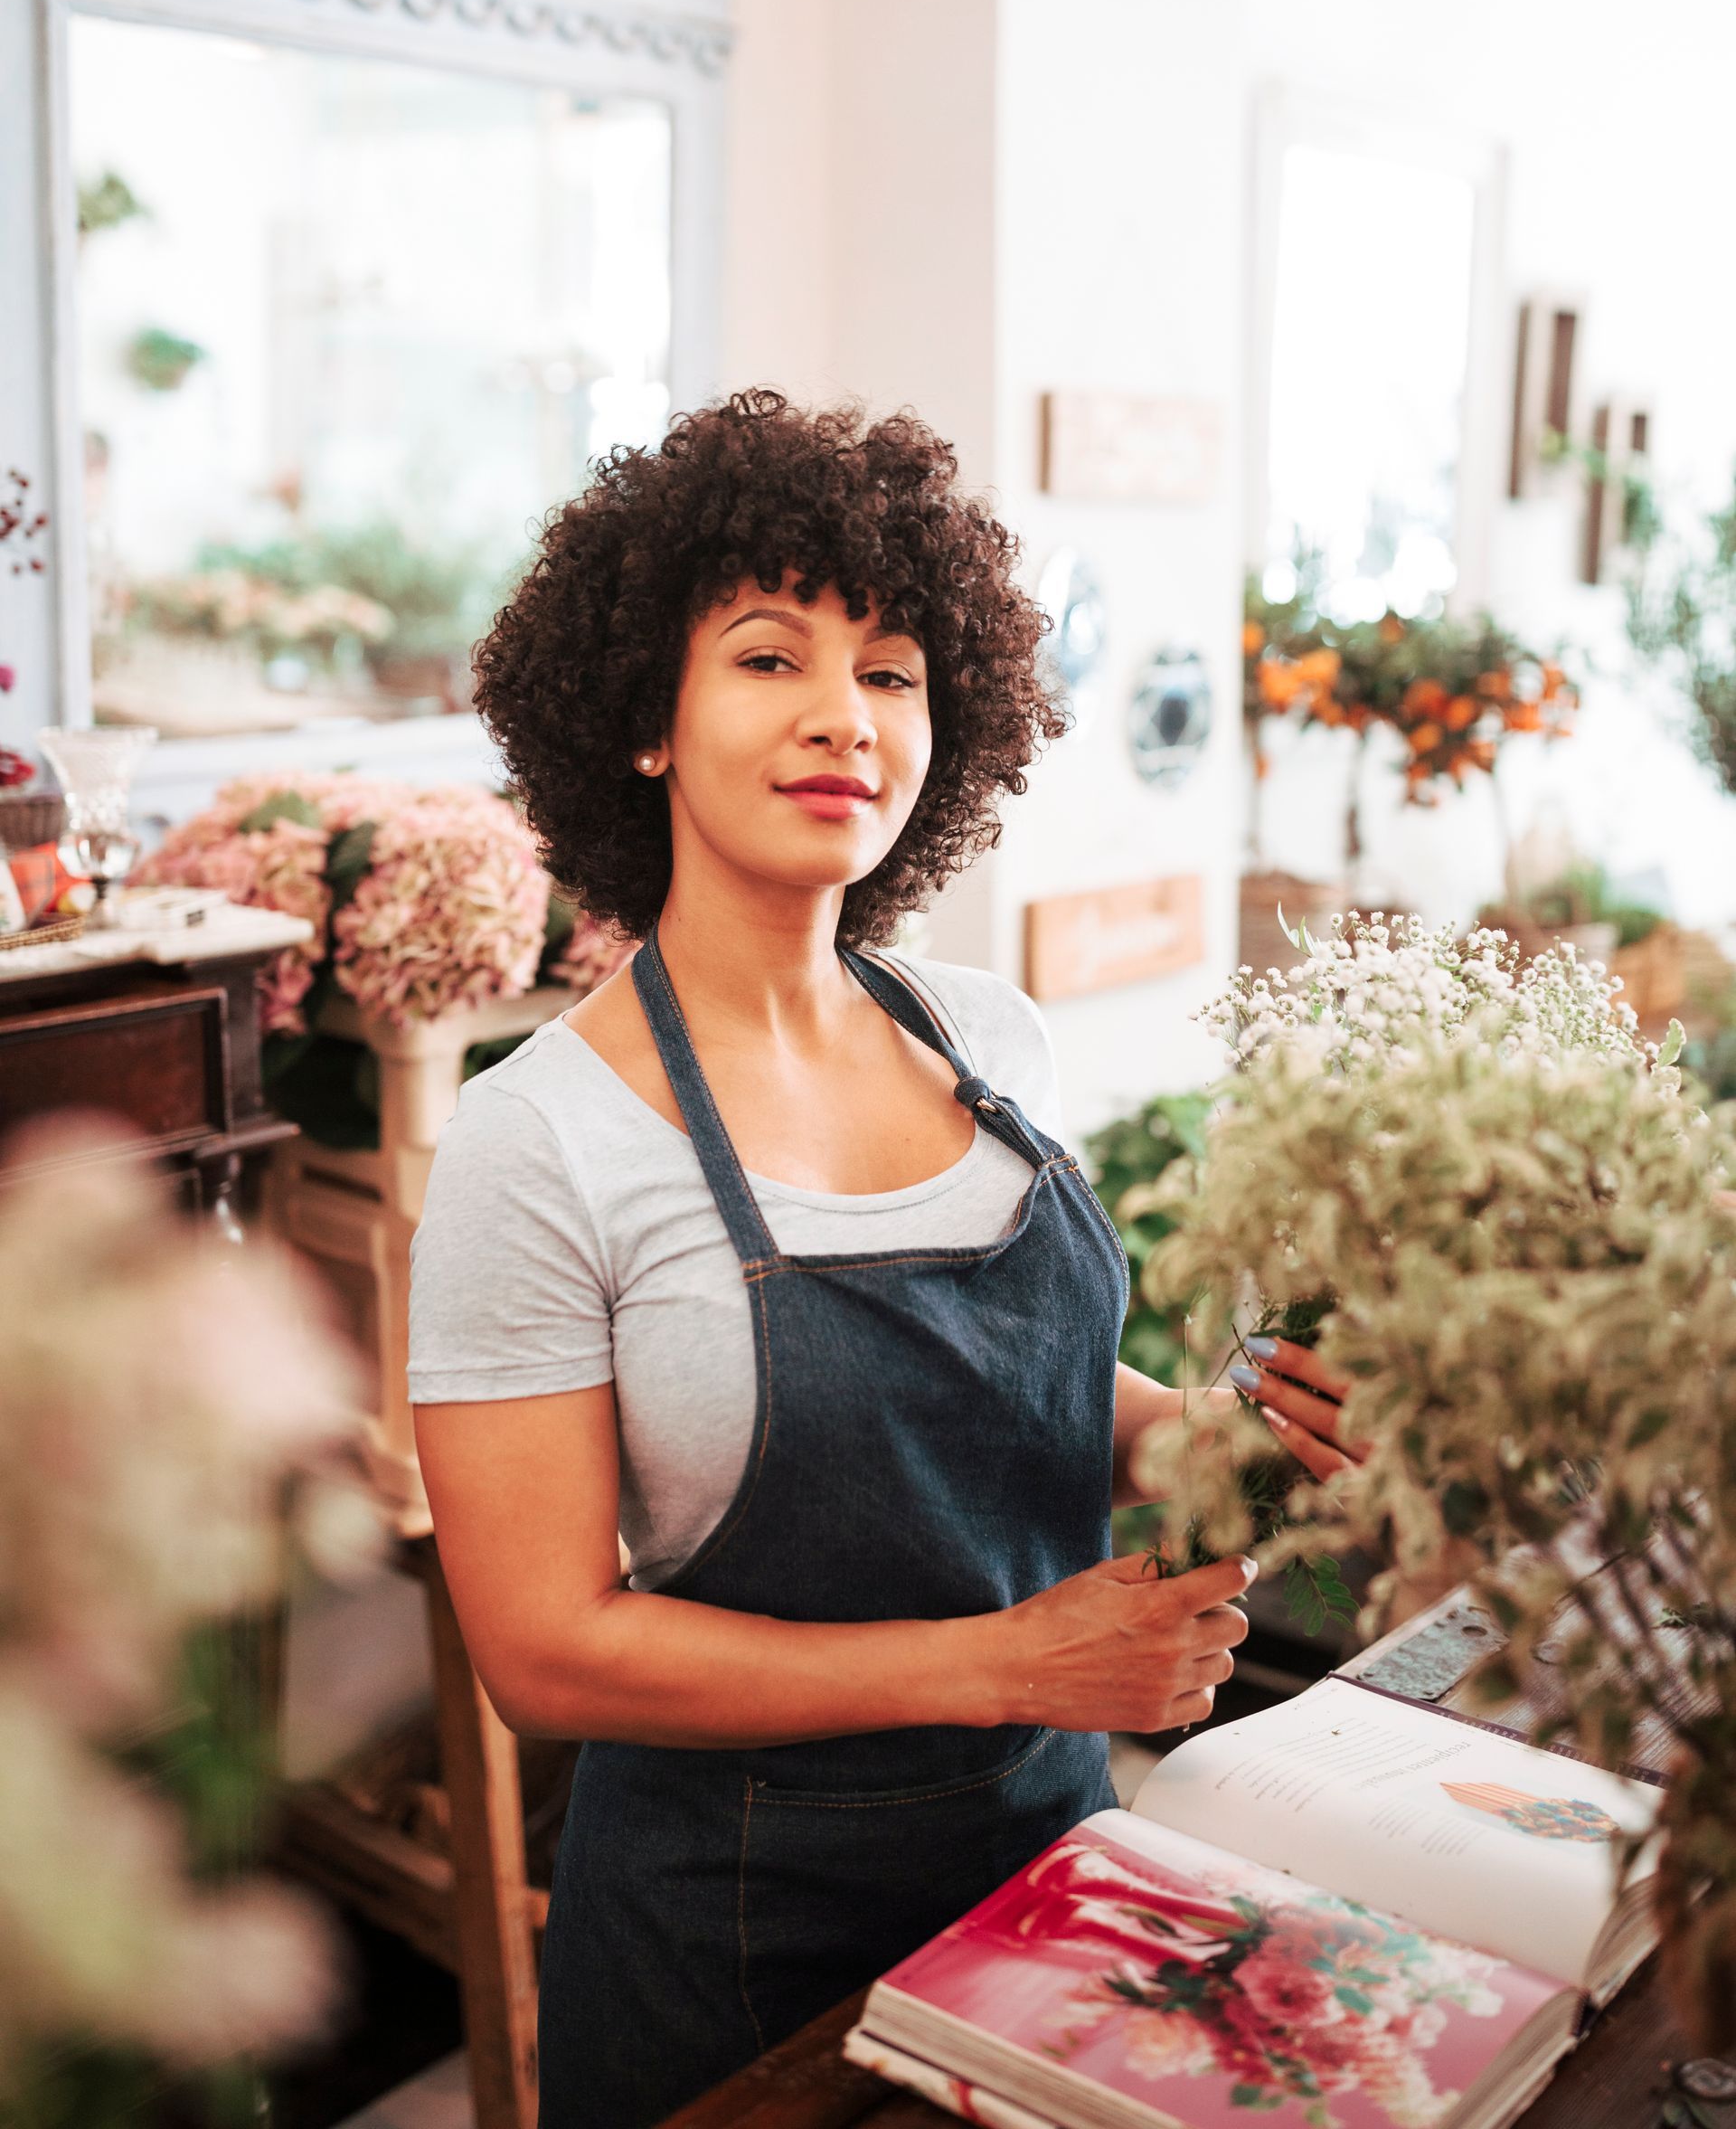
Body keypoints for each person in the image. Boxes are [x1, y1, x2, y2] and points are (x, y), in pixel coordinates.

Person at [408, 390, 1363, 2128]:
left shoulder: (989, 1042)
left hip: (1053, 1863)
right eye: (770, 658)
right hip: (740, 1945)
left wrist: (1205, 1427)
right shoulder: (536, 1141)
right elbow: (544, 1650)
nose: (844, 717)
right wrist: (1011, 1662)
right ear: (645, 718)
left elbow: (1022, 1395)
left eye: (894, 670)